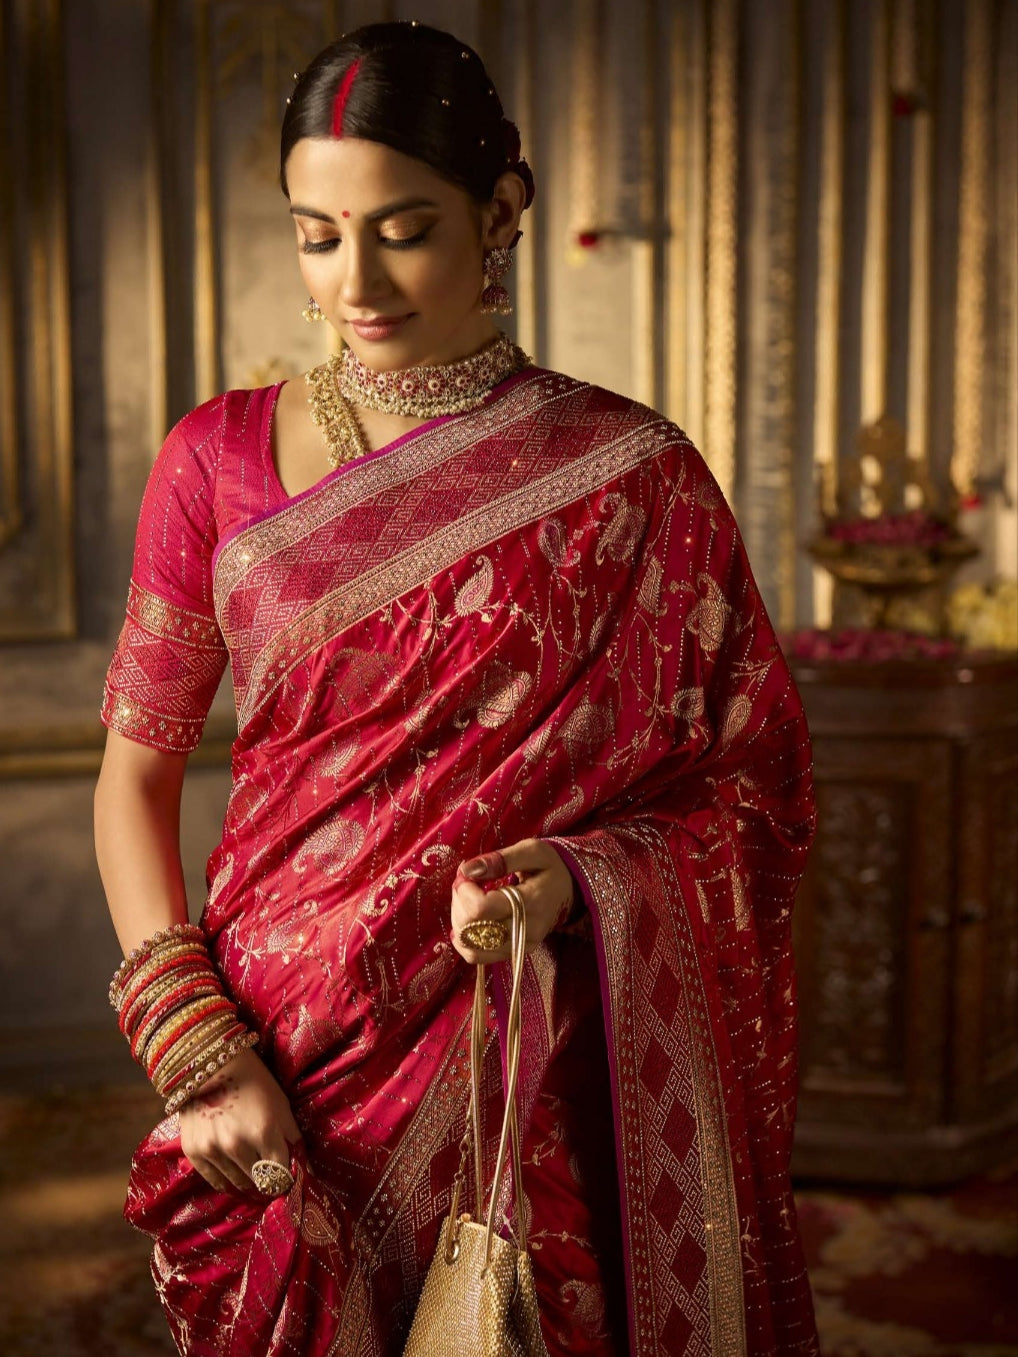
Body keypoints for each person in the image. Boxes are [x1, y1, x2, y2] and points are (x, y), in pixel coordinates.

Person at [94, 20, 819, 1357]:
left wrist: (579, 878)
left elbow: (750, 786)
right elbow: (134, 777)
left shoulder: (632, 474)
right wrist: (196, 1047)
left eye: (402, 227)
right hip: (278, 1050)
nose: (353, 279)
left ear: (501, 212)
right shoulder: (215, 462)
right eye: (318, 233)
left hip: (523, 1043)